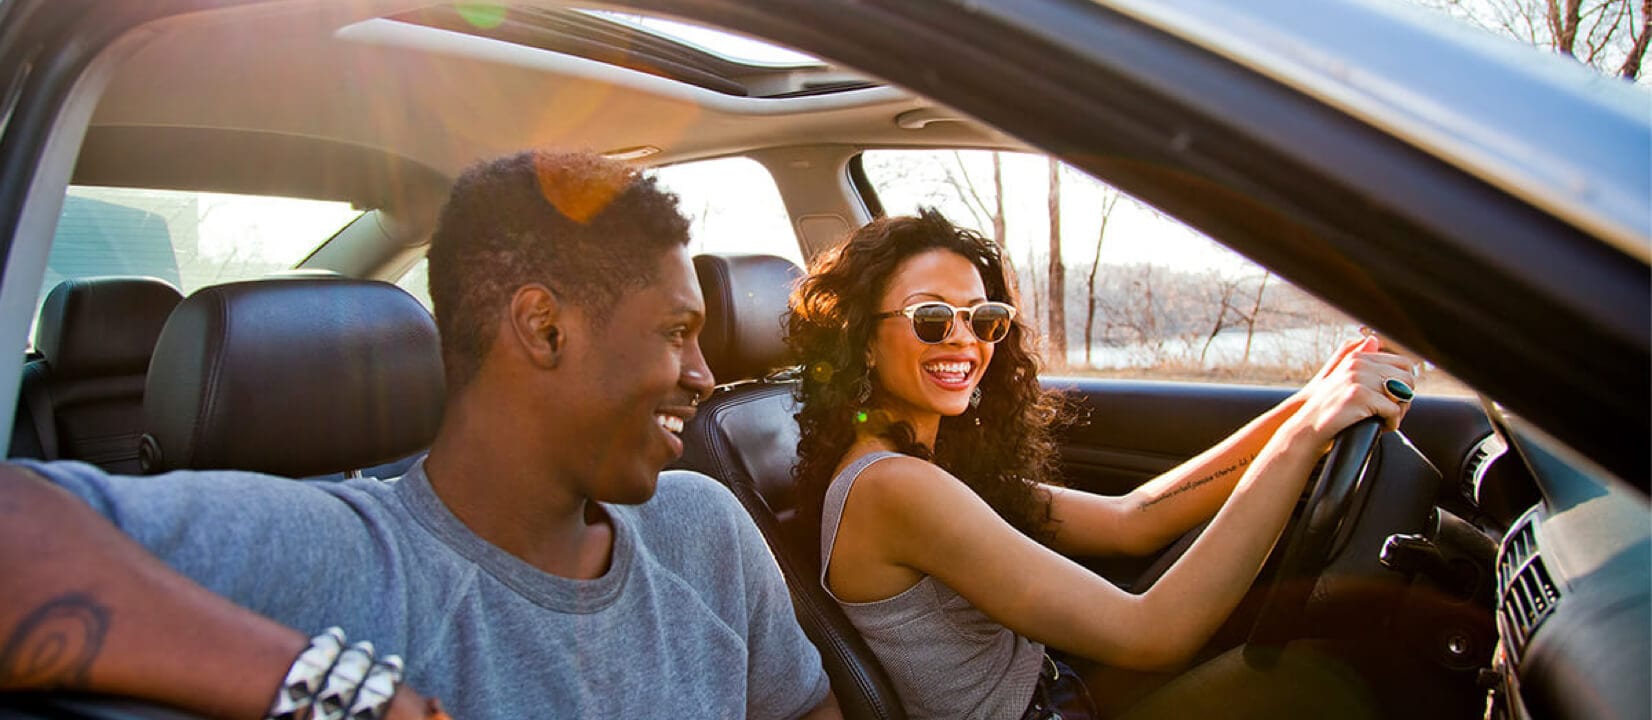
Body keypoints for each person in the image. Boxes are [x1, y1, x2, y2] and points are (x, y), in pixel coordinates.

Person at [0, 150, 839, 719]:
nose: (702, 373)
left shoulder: (705, 527)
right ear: (543, 329)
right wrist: (353, 697)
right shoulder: (344, 557)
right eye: (674, 332)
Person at [785, 209, 1416, 719]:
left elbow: (1132, 519)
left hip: (1059, 692)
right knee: (1324, 684)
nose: (964, 338)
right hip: (1046, 709)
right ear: (862, 340)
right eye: (931, 317)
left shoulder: (928, 461)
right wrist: (1301, 439)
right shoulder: (892, 485)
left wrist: (1309, 401)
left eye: (984, 318)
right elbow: (1154, 633)